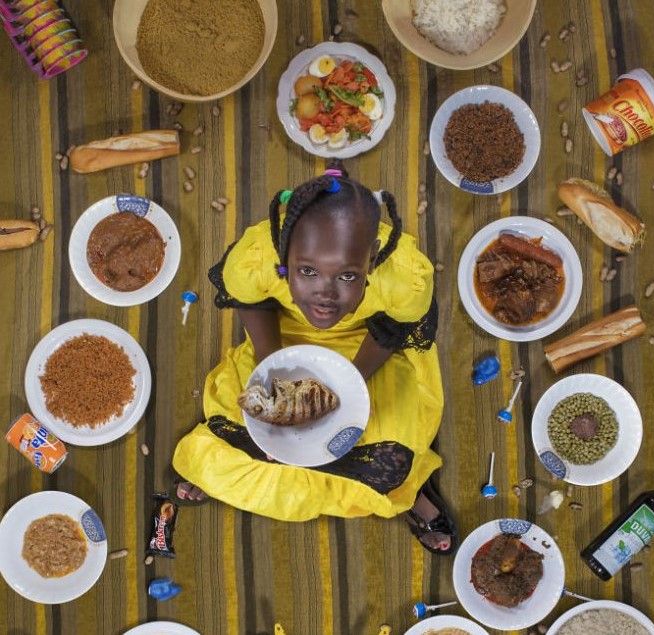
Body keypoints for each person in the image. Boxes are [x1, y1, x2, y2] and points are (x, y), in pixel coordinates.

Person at [171, 165, 457, 554]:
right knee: (236, 434)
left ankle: (405, 492)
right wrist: (277, 378)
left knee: (389, 465)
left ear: (371, 258)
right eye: (307, 271)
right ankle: (287, 459)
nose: (325, 295)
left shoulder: (404, 276)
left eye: (347, 277)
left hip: (366, 353)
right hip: (283, 342)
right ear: (284, 252)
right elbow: (250, 302)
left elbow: (391, 332)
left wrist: (346, 388)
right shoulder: (257, 255)